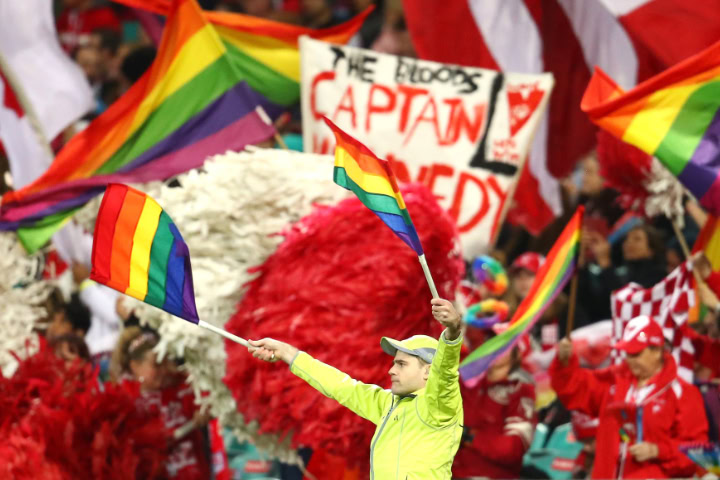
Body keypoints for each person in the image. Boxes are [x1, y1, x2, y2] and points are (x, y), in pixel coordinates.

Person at [248, 298, 464, 479]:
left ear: (428, 371)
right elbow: (339, 385)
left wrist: (453, 333)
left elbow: (445, 373)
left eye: (401, 364)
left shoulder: (439, 405)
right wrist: (287, 353)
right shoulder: (386, 402)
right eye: (393, 363)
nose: (391, 371)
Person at [551, 315, 708, 479]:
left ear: (657, 351)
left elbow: (697, 452)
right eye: (627, 353)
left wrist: (658, 450)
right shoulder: (614, 380)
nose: (630, 360)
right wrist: (564, 363)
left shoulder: (682, 392)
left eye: (636, 354)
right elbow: (575, 389)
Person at [112, 327, 211, 480]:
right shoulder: (123, 401)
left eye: (165, 362)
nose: (164, 370)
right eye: (156, 365)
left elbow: (210, 404)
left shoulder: (183, 384)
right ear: (135, 367)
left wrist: (204, 410)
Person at [453, 318, 536, 479]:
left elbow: (513, 448)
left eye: (503, 343)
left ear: (517, 353)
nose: (493, 347)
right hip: (451, 473)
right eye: (491, 340)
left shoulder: (521, 390)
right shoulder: (467, 381)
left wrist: (470, 437)